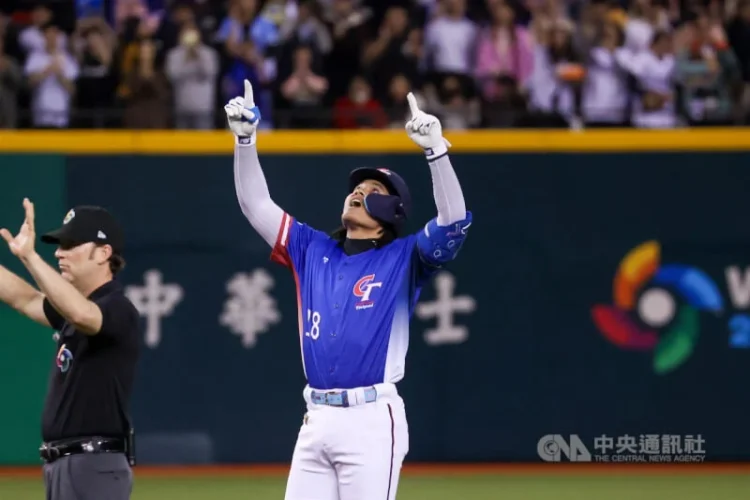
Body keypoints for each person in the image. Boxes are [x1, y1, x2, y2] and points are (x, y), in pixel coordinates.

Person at [226, 79, 472, 500]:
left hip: (370, 419)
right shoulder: (311, 249)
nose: (359, 191)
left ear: (393, 211)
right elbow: (255, 204)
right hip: (316, 417)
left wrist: (436, 152)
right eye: (358, 187)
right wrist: (245, 141)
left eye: (374, 190)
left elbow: (453, 222)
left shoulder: (404, 257)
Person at [0, 201, 139, 500]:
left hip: (94, 465)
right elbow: (25, 299)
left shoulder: (117, 308)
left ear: (103, 253)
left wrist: (30, 257)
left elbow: (82, 315)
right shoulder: (74, 309)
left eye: (71, 244)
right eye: (60, 245)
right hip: (66, 465)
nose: (59, 253)